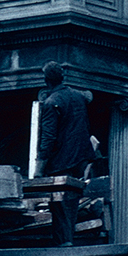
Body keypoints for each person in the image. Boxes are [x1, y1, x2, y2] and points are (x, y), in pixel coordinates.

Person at [36, 61, 96, 245]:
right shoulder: (77, 96)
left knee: (59, 203)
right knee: (71, 201)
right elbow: (89, 96)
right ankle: (68, 239)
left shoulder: (51, 103)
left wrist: (39, 168)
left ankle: (64, 243)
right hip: (80, 159)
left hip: (61, 161)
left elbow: (48, 138)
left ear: (47, 81)